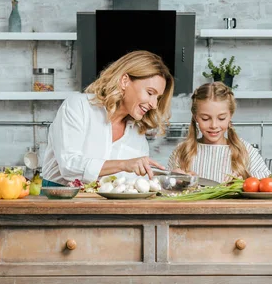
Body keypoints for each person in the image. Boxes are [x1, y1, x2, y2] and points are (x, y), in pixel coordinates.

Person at [42, 50, 174, 187]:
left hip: (103, 205)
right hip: (59, 202)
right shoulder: (78, 106)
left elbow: (136, 182)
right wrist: (123, 164)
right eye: (150, 93)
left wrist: (171, 178)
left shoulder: (137, 133)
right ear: (124, 81)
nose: (154, 104)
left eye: (157, 98)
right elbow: (69, 166)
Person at [167, 82, 270, 183]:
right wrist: (173, 179)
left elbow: (266, 181)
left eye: (221, 118)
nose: (214, 125)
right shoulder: (182, 151)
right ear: (195, 117)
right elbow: (164, 187)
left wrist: (243, 181)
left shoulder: (245, 150)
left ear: (230, 116)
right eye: (205, 118)